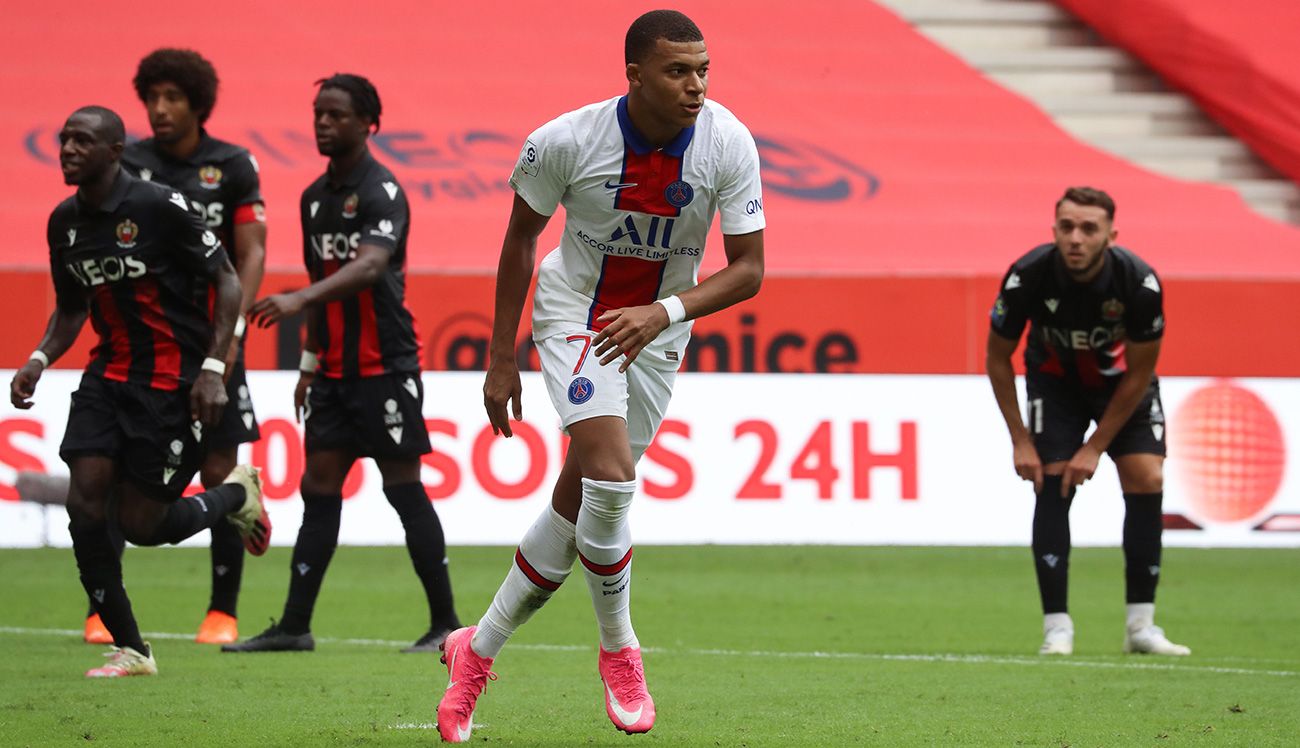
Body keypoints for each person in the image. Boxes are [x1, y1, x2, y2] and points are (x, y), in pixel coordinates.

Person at [435, 10, 766, 741]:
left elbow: (749, 272)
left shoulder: (727, 142)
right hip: (576, 315)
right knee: (612, 479)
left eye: (703, 69)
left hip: (657, 330)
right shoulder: (564, 141)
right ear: (635, 74)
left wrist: (666, 312)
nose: (696, 86)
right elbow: (521, 239)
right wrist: (500, 354)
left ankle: (475, 651)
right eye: (678, 71)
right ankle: (620, 648)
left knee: (577, 501)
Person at [9, 106, 270, 678]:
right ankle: (132, 647)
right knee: (85, 501)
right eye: (63, 139)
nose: (68, 149)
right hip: (108, 378)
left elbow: (226, 276)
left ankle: (235, 495)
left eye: (82, 140)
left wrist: (212, 366)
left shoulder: (158, 206)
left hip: (171, 382)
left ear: (115, 150)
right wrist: (38, 357)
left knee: (143, 526)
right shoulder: (63, 222)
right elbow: (74, 305)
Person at [223, 73, 460, 654]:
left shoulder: (383, 191)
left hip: (385, 368)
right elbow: (319, 282)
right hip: (333, 373)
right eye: (318, 114)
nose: (323, 124)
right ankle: (295, 626)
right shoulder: (312, 198)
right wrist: (308, 362)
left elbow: (369, 267)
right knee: (318, 487)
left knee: (403, 487)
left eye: (335, 115)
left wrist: (297, 302)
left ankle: (447, 625)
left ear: (367, 123)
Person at [68, 48, 270, 646]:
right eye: (152, 97)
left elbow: (250, 252)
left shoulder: (231, 164)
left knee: (216, 468)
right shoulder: (124, 163)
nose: (160, 109)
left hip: (213, 342)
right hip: (147, 346)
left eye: (173, 97)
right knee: (103, 479)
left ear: (198, 102)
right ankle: (103, 607)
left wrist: (229, 342)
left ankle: (222, 611)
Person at [986, 186, 1190, 657]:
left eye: (1088, 229)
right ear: (1054, 229)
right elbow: (997, 359)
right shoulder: (1027, 276)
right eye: (1066, 227)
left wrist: (1095, 447)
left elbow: (1140, 372)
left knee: (1146, 474)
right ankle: (1057, 628)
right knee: (1052, 480)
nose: (1075, 238)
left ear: (1110, 236)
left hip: (1122, 388)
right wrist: (1019, 439)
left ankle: (1141, 627)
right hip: (1055, 387)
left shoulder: (1139, 286)